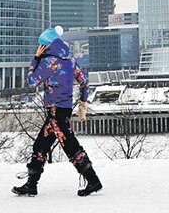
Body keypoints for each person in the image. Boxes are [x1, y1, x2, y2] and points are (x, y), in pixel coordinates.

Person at [12, 25, 103, 197]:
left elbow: (32, 81)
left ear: (46, 45)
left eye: (40, 45)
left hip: (55, 110)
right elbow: (84, 81)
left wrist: (36, 58)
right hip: (64, 108)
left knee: (70, 146)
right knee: (41, 144)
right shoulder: (70, 60)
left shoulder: (49, 61)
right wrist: (83, 101)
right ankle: (31, 184)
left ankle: (93, 181)